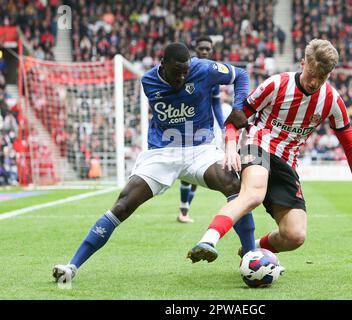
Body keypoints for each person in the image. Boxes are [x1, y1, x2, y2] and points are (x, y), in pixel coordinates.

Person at [52, 42, 256, 284]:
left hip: (200, 149)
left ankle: (250, 255)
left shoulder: (204, 68)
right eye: (177, 71)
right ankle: (72, 267)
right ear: (163, 65)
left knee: (232, 184)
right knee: (123, 205)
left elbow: (241, 76)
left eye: (185, 71)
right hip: (162, 152)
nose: (182, 76)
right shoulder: (148, 82)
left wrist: (238, 106)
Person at [187, 39, 352, 264]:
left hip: (287, 161)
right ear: (303, 63)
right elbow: (237, 116)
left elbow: (350, 145)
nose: (313, 82)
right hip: (258, 144)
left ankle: (253, 249)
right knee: (253, 194)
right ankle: (208, 240)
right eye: (311, 73)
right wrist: (231, 144)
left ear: (329, 75)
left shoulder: (332, 101)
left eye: (321, 77)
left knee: (295, 236)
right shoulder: (276, 84)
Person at [177, 35, 226, 223]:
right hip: (185, 128)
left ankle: (184, 209)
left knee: (199, 169)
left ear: (212, 51)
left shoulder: (213, 74)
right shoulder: (185, 71)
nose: (204, 52)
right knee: (187, 169)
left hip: (205, 129)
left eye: (208, 49)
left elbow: (216, 104)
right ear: (195, 50)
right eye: (201, 48)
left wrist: (222, 127)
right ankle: (183, 210)